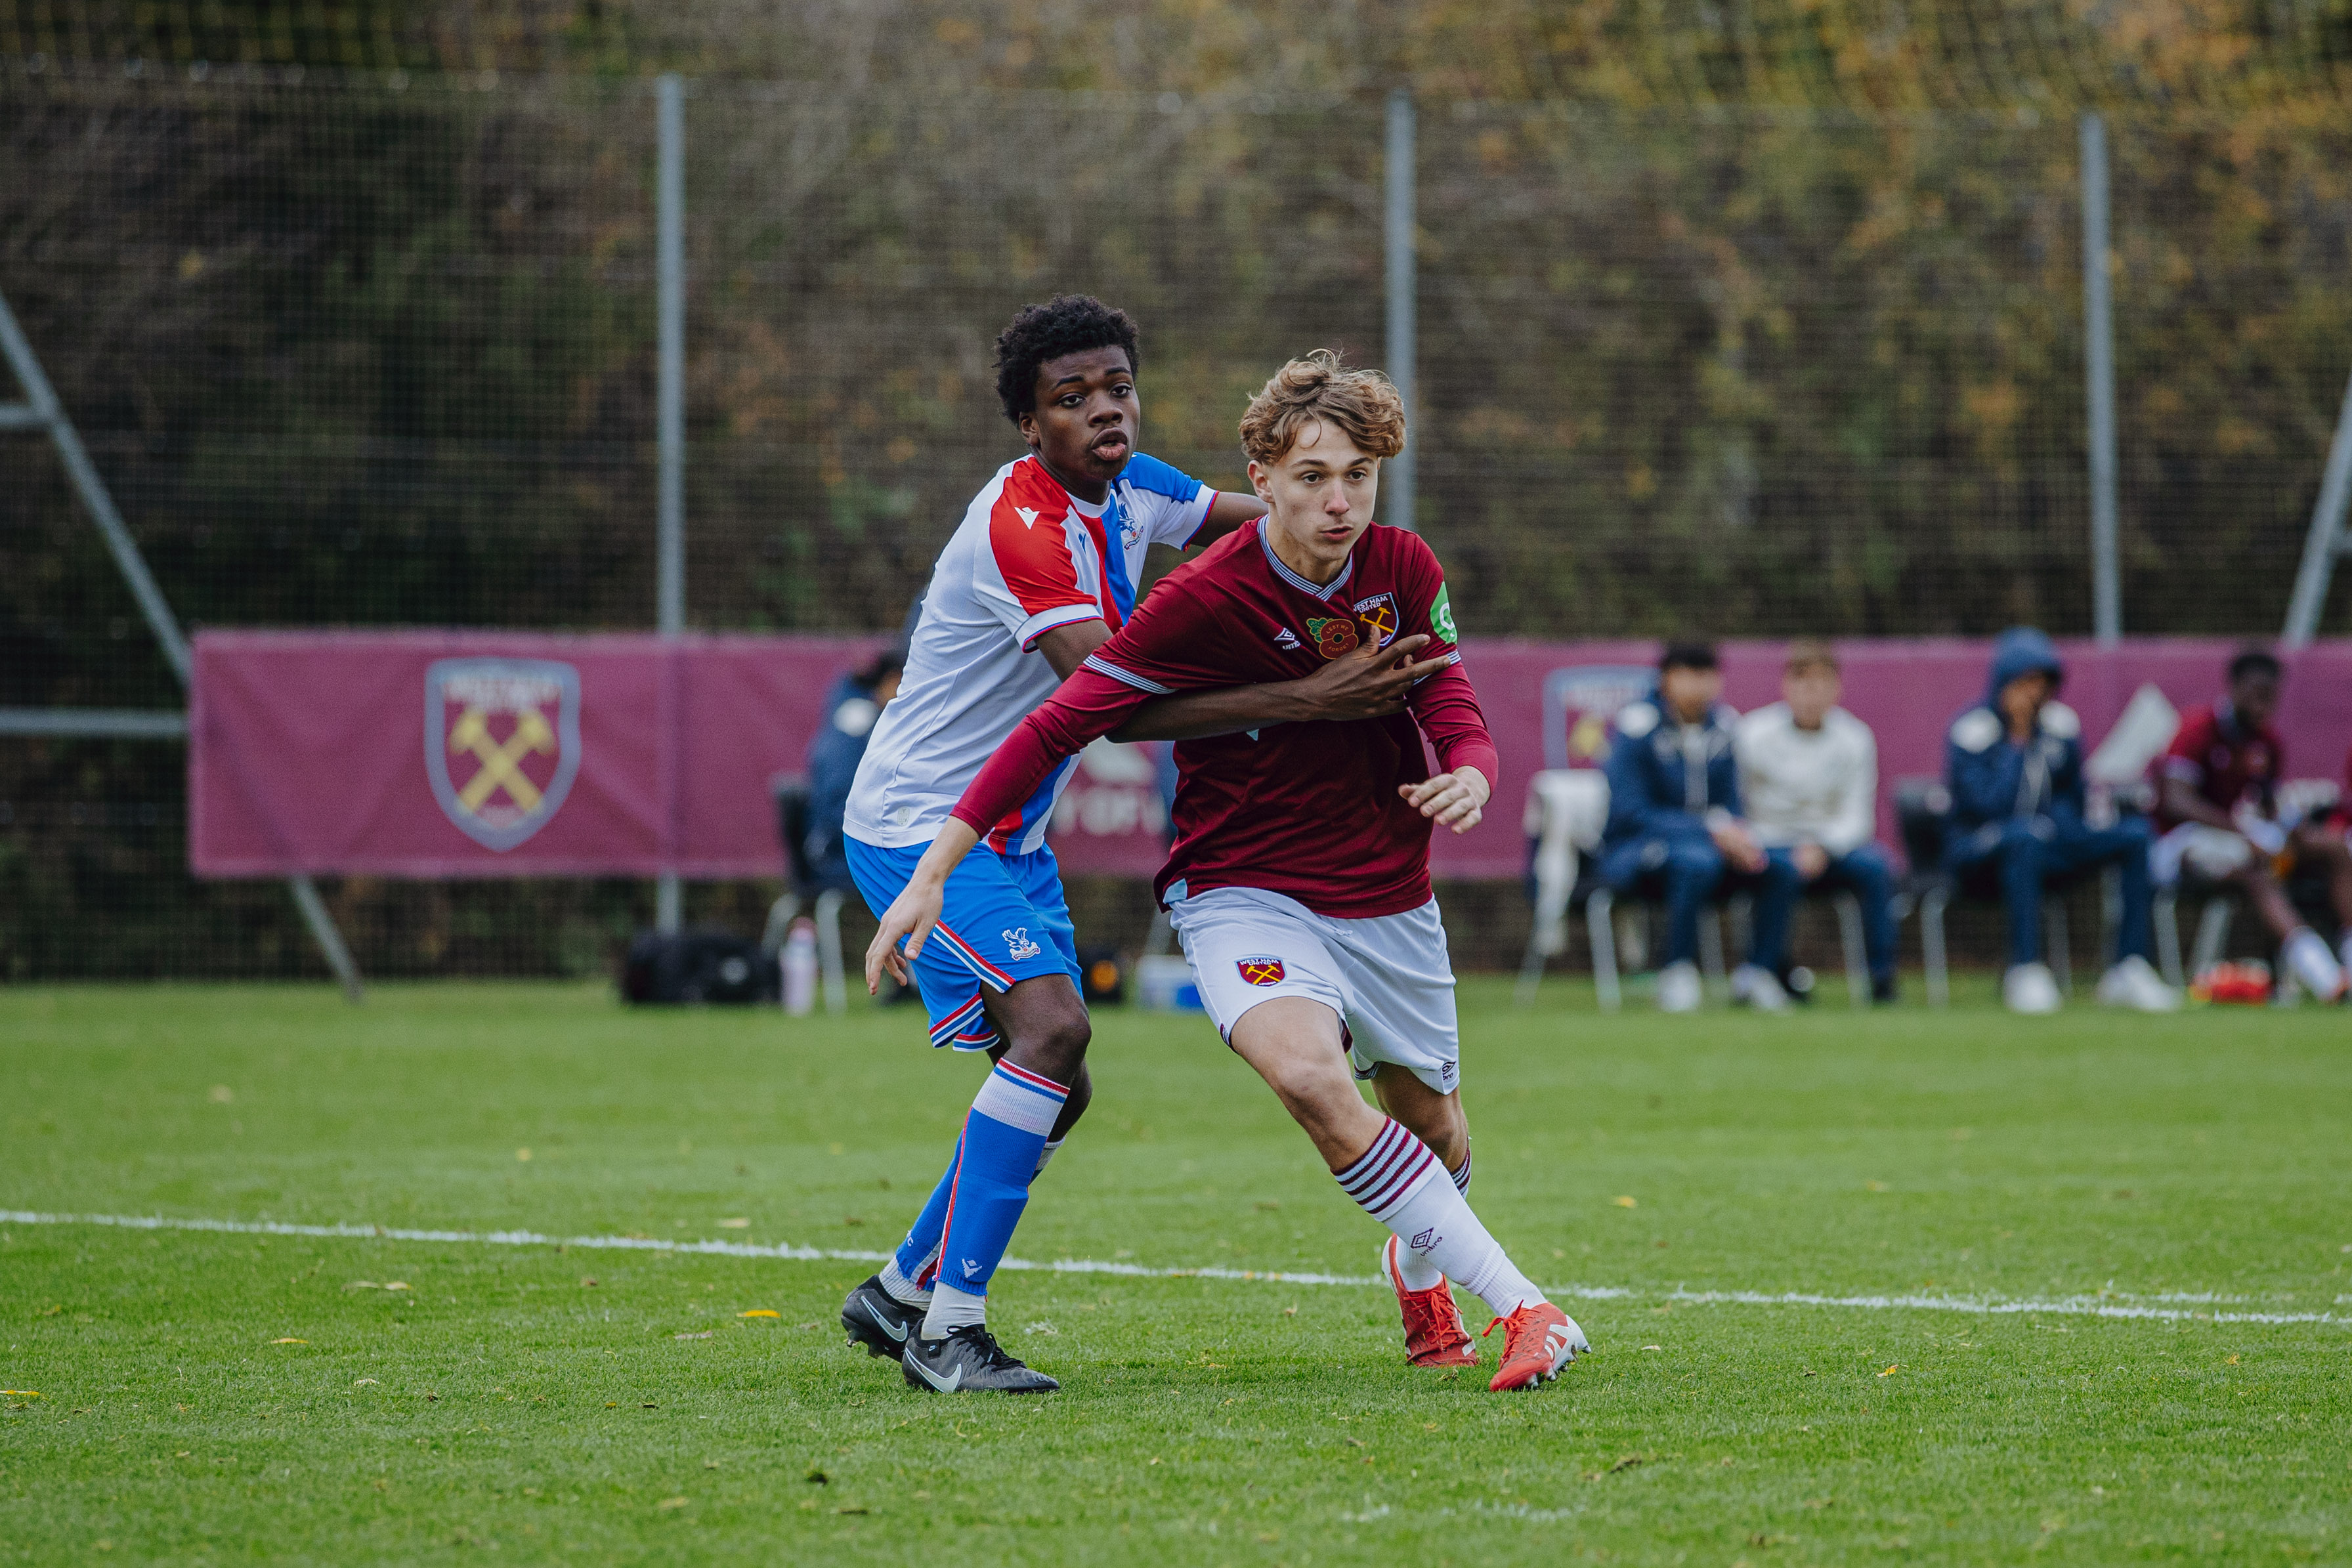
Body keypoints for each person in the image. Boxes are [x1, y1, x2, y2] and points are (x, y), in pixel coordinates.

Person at [867, 352, 1588, 1394]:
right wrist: (936, 867)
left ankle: (1420, 1267)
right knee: (1308, 1079)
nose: (1335, 501)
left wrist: (1472, 775)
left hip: (1385, 893)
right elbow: (1058, 724)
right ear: (1263, 471)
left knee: (1433, 1126)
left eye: (1357, 476)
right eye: (1308, 478)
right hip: (1238, 890)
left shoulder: (1404, 568)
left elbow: (1452, 707)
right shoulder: (1203, 596)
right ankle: (1525, 1306)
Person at [1944, 627, 2179, 1015]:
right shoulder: (1971, 730)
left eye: (2042, 683)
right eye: (2026, 682)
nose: (2034, 694)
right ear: (2004, 681)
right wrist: (2018, 742)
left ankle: (2128, 967)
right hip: (1981, 853)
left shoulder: (2061, 726)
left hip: (2047, 844)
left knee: (2135, 835)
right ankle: (2026, 970)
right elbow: (1984, 806)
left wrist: (2059, 826)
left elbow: (2074, 798)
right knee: (2023, 836)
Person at [1596, 642, 1801, 1013]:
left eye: (1707, 676)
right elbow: (1631, 811)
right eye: (1689, 675)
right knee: (1695, 862)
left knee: (1780, 867)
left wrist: (1735, 834)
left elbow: (1732, 802)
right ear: (1667, 679)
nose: (1700, 686)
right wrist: (1709, 831)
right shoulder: (1636, 727)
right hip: (1635, 852)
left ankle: (1758, 973)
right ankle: (1676, 971)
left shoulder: (1725, 727)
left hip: (1711, 852)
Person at [2152, 648, 2352, 1000]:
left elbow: (2270, 805)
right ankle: (2325, 977)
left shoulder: (2266, 742)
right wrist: (2244, 834)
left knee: (2333, 848)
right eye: (2257, 694)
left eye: (2271, 696)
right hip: (2181, 843)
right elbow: (2176, 801)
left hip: (2240, 837)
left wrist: (2295, 832)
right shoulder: (2198, 728)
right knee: (2256, 866)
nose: (2265, 704)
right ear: (2234, 688)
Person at [1736, 640, 1900, 1004]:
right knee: (1779, 872)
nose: (1812, 693)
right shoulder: (1752, 734)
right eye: (1803, 682)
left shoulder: (1855, 738)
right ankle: (1765, 972)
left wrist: (1822, 846)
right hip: (1770, 844)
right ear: (1786, 686)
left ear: (1837, 688)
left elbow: (1858, 816)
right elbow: (1739, 806)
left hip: (1833, 847)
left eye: (1822, 683)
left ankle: (1883, 978)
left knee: (1878, 868)